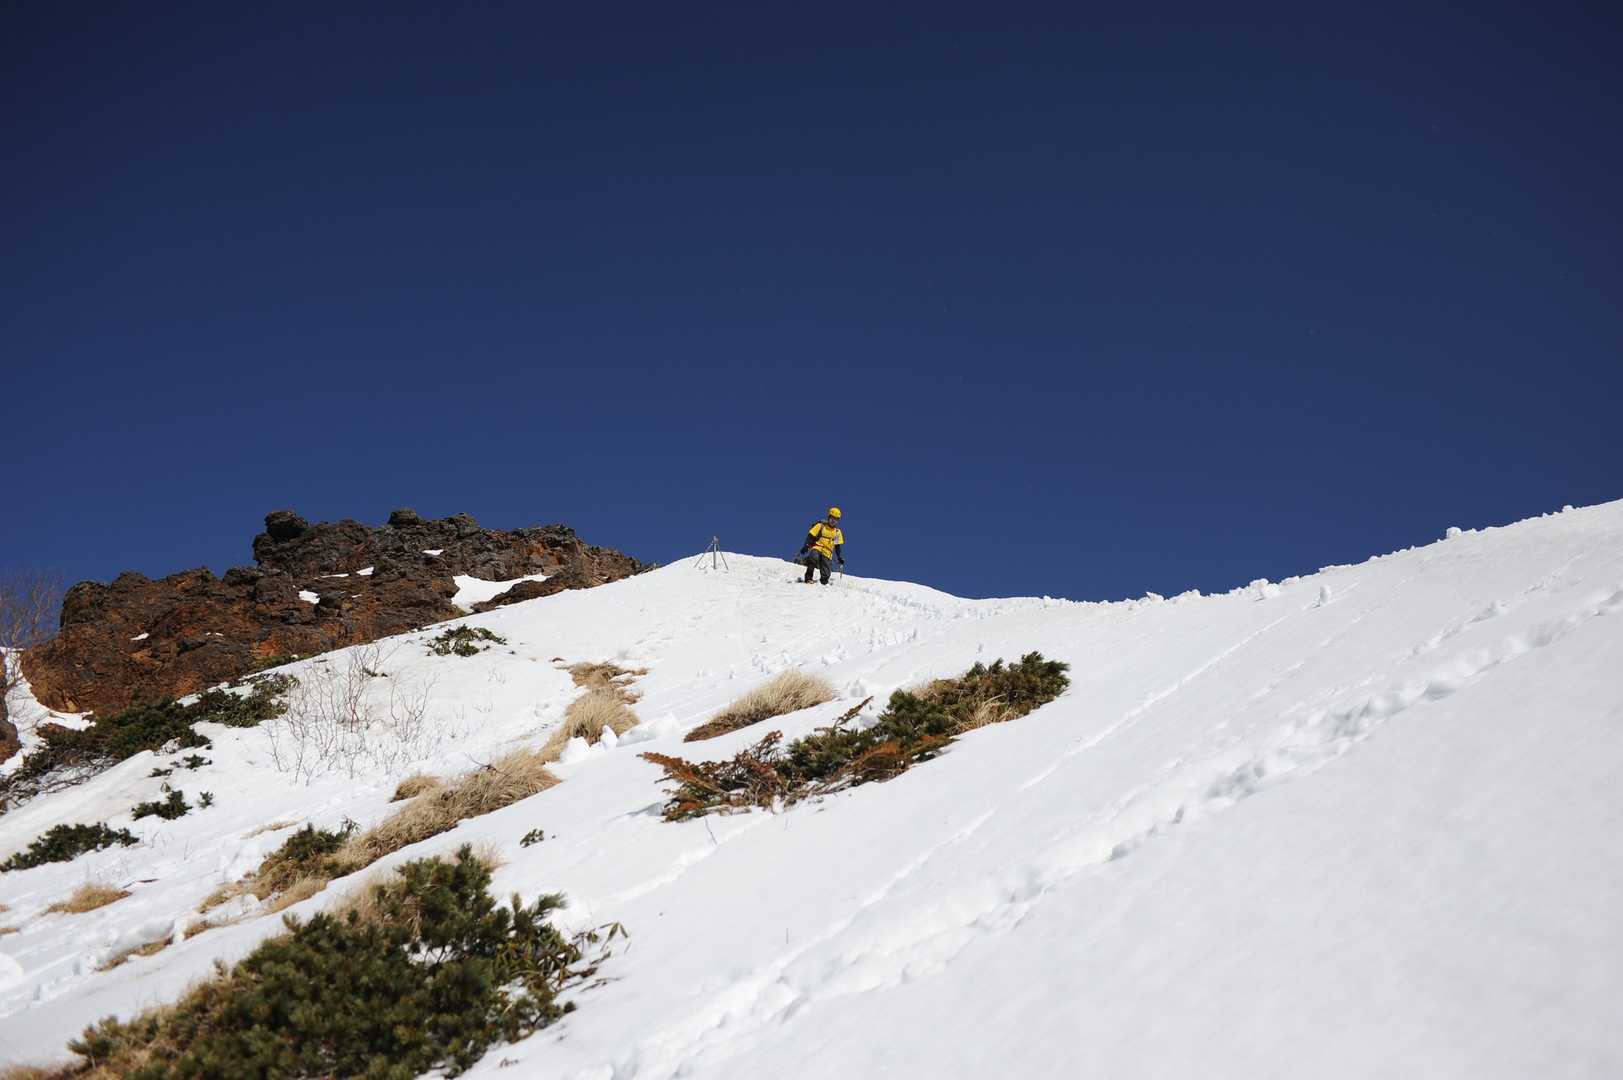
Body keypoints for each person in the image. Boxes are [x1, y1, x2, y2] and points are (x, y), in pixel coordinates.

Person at [798, 507, 845, 585]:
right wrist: (806, 545)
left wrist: (839, 557)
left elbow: (837, 546)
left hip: (827, 553)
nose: (833, 521)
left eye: (836, 519)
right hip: (817, 547)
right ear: (829, 517)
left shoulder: (837, 532)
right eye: (832, 518)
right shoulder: (821, 526)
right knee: (813, 558)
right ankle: (808, 578)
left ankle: (823, 583)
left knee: (826, 573)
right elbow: (811, 536)